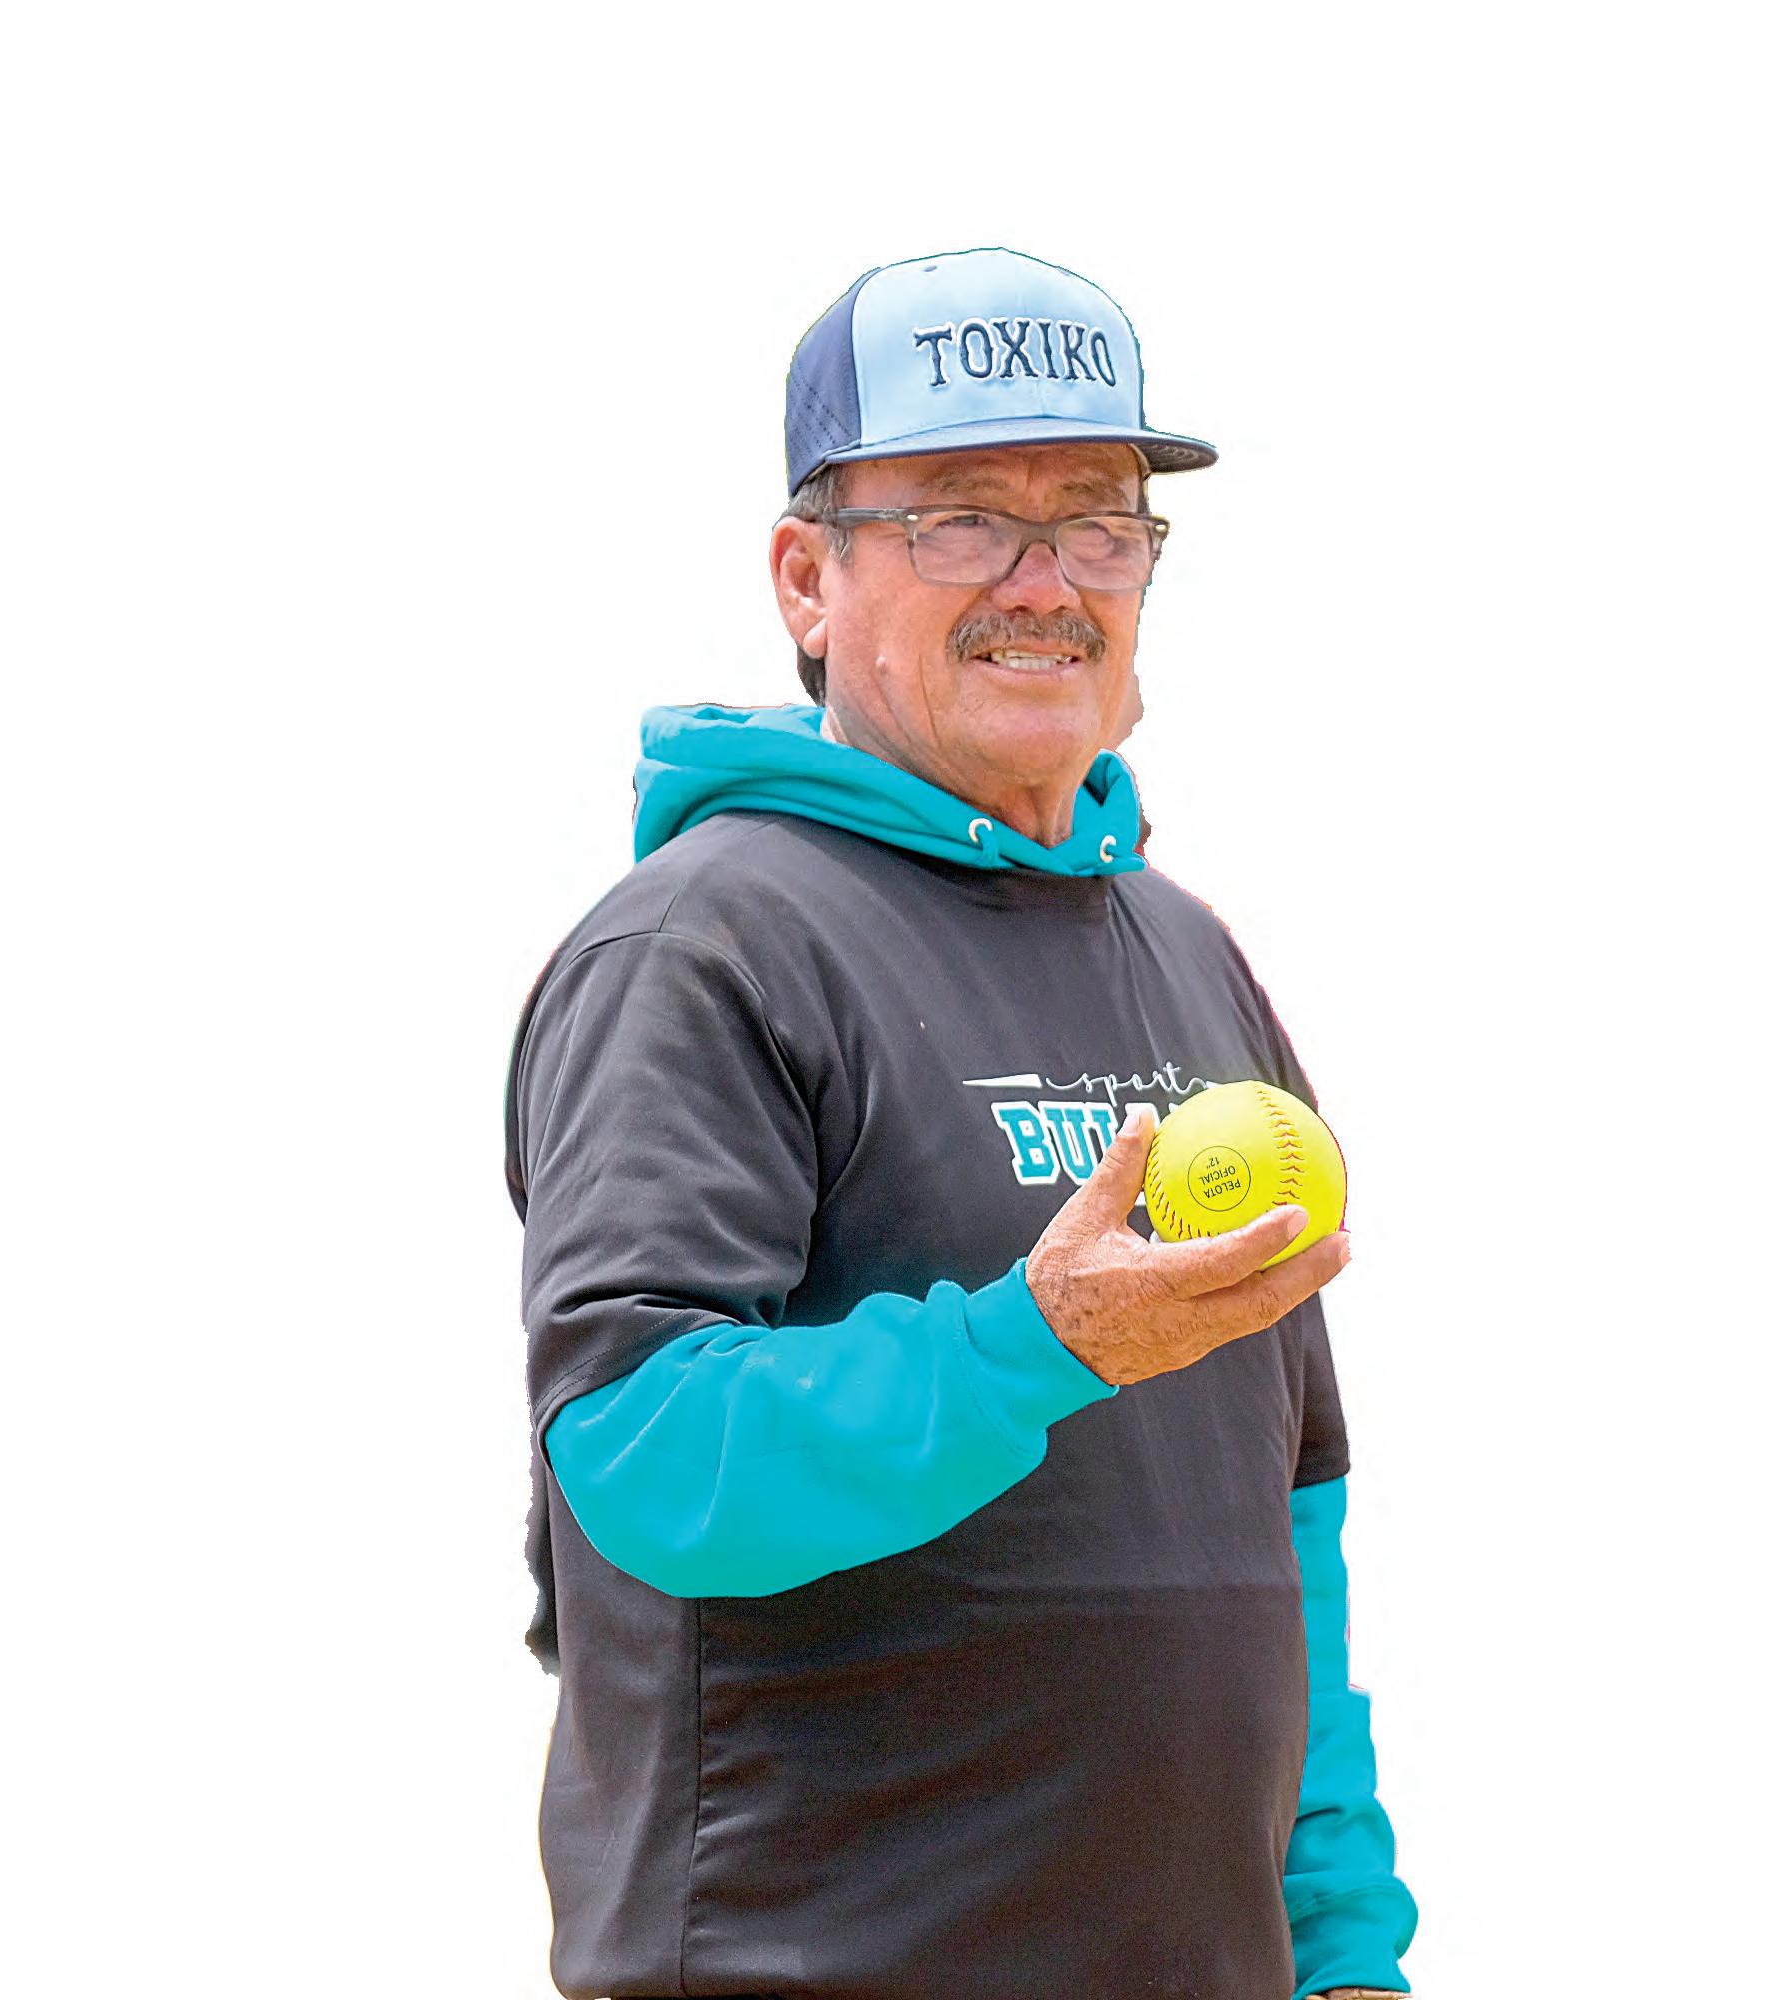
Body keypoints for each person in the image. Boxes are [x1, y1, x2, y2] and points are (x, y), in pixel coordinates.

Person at [505, 246, 1418, 2000]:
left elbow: (1287, 1529)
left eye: (1097, 523)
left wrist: (1343, 1954)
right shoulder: (702, 945)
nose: (1044, 583)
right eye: (962, 522)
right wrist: (1036, 1347)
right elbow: (643, 1463)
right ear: (807, 578)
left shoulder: (1186, 954)